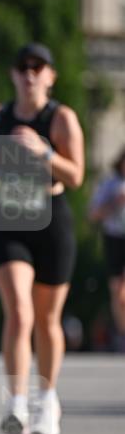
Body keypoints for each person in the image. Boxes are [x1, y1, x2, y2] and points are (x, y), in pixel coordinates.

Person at [0, 42, 84, 434]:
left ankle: (48, 399)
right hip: (9, 217)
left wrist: (43, 151)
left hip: (52, 219)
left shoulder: (60, 118)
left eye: (38, 67)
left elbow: (76, 176)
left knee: (47, 319)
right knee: (20, 311)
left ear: (50, 76)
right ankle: (17, 404)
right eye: (23, 67)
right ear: (13, 74)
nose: (29, 74)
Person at [89, 147, 125, 351]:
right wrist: (114, 203)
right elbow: (93, 214)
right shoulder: (110, 185)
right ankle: (122, 333)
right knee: (117, 292)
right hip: (114, 237)